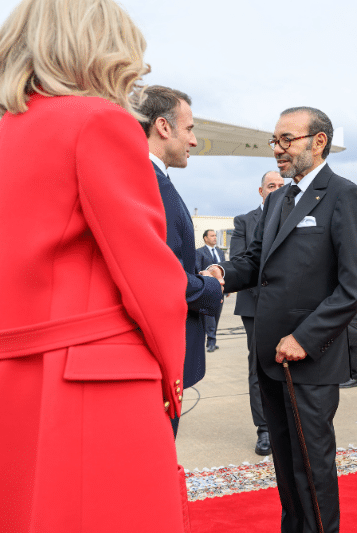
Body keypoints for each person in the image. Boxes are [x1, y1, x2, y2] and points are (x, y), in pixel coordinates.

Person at [0, 0, 190, 530]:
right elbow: (151, 281)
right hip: (94, 384)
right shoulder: (98, 122)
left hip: (15, 377)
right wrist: (171, 380)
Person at [204, 107, 357, 533]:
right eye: (274, 141)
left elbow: (355, 284)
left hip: (308, 357)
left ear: (318, 142)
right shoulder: (280, 198)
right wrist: (224, 274)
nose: (277, 150)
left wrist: (304, 336)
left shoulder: (344, 195)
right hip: (269, 354)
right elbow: (257, 258)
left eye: (286, 140)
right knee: (285, 461)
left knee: (312, 466)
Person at [135, 85, 224, 438]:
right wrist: (211, 287)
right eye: (189, 129)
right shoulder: (151, 185)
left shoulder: (153, 180)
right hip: (161, 356)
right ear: (163, 127)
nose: (193, 141)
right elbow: (160, 277)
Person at [229, 170, 284, 456]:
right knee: (260, 366)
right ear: (261, 191)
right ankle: (264, 429)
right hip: (255, 306)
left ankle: (289, 425)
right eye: (270, 186)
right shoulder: (244, 222)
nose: (276, 189)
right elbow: (239, 262)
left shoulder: (294, 215)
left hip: (289, 304)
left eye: (281, 185)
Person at [196, 229, 227, 352]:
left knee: (217, 315)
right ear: (205, 238)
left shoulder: (220, 252)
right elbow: (198, 269)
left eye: (215, 235)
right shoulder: (199, 252)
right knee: (209, 316)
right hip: (207, 290)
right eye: (212, 236)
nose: (215, 237)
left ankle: (212, 340)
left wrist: (228, 288)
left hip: (221, 289)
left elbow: (224, 270)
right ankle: (211, 341)